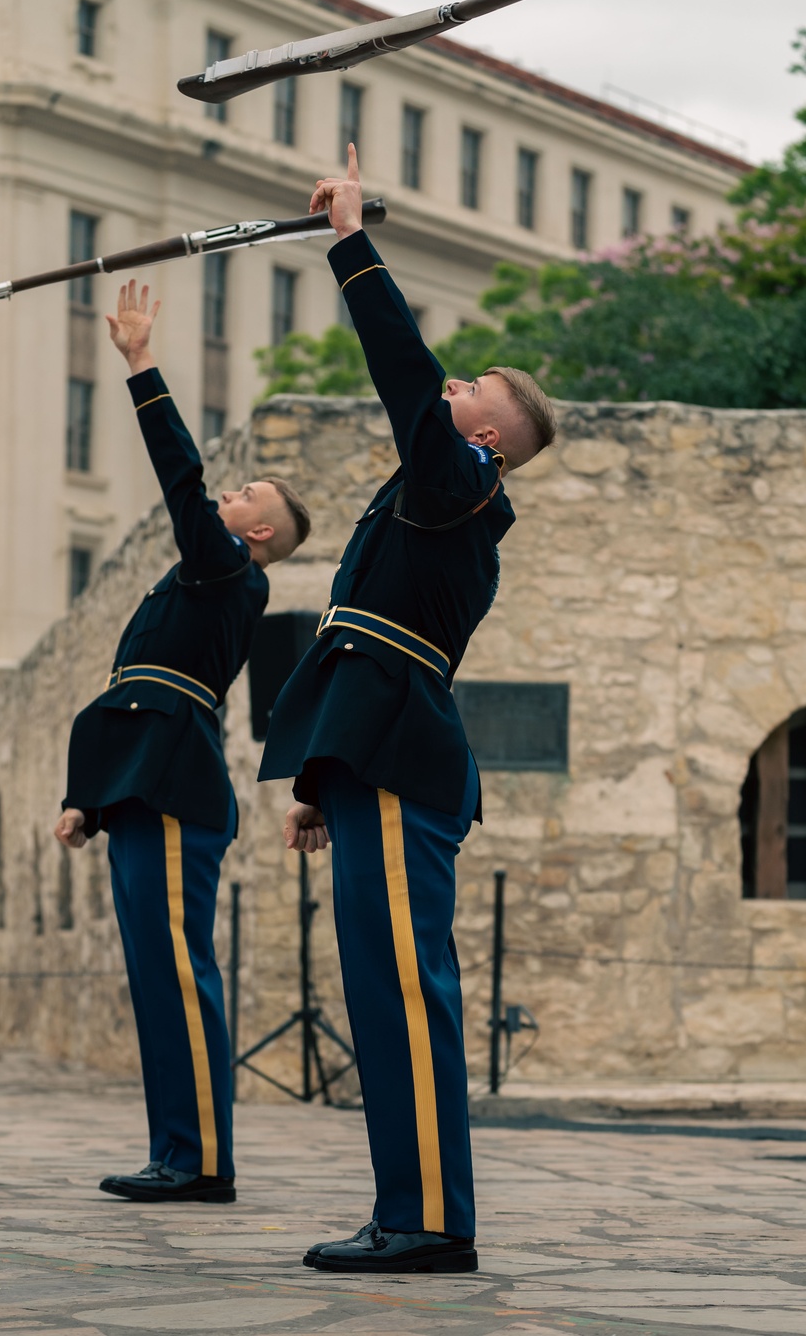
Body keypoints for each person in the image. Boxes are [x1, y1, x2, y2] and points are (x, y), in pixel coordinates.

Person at [259, 146, 558, 1273]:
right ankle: (410, 1210)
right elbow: (364, 644)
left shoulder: (461, 485)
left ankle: (429, 1219)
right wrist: (317, 781)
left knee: (402, 992)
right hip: (372, 758)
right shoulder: (434, 496)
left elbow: (398, 364)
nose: (450, 384)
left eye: (468, 387)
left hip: (402, 763)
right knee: (380, 998)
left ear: (482, 439)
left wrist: (349, 243)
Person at [55, 281, 310, 1206]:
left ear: (255, 533)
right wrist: (90, 800)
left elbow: (178, 476)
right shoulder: (195, 582)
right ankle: (177, 1153)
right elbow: (134, 696)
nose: (227, 494)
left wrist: (140, 365)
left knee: (178, 974)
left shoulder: (227, 572)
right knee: (155, 981)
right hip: (146, 784)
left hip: (176, 792)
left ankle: (200, 1161)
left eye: (244, 494)